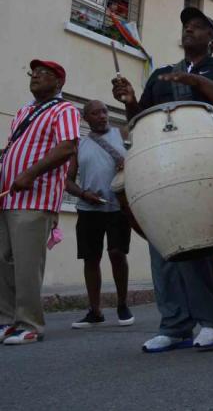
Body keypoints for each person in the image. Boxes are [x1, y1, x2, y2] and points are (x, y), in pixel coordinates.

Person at [112, 7, 213, 353]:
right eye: (186, 25)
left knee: (197, 244)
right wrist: (130, 102)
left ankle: (212, 321)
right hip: (161, 161)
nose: (189, 29)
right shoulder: (162, 75)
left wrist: (199, 82)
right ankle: (174, 325)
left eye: (198, 27)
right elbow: (140, 120)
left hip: (203, 161)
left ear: (212, 40)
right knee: (163, 243)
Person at [0, 60, 80, 345]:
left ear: (59, 83)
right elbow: (15, 148)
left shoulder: (65, 109)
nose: (36, 76)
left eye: (44, 73)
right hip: (8, 198)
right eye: (33, 72)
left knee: (26, 265)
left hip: (35, 199)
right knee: (4, 262)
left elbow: (68, 146)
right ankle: (7, 320)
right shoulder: (23, 111)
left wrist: (29, 173)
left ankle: (30, 324)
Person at [65, 100, 134, 329]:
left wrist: (128, 165)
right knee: (91, 259)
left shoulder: (122, 134)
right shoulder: (79, 145)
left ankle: (122, 305)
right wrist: (84, 195)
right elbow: (67, 181)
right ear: (86, 118)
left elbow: (140, 161)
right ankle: (95, 311)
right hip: (88, 210)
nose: (102, 116)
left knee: (117, 253)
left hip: (118, 207)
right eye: (95, 113)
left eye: (104, 111)